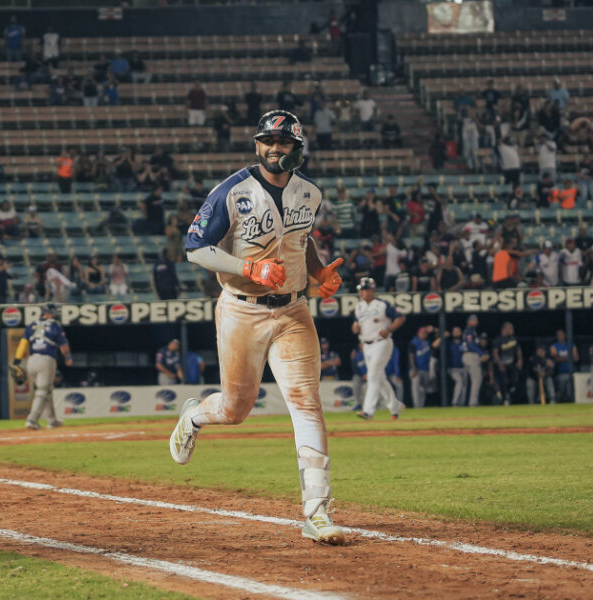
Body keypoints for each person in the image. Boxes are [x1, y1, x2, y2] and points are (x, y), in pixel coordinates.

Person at [170, 109, 346, 545]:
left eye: (283, 143)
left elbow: (299, 243)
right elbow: (195, 248)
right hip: (242, 310)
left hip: (293, 311)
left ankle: (317, 510)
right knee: (235, 410)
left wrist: (319, 273)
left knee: (306, 401)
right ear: (257, 145)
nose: (273, 148)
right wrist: (246, 265)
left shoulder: (310, 193)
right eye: (267, 141)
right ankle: (194, 416)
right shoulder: (232, 190)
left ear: (297, 149)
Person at [350, 277, 405, 420]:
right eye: (361, 290)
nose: (362, 292)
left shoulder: (382, 304)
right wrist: (355, 328)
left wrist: (389, 329)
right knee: (379, 378)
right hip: (366, 345)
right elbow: (356, 324)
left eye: (364, 289)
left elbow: (400, 317)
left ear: (372, 290)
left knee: (373, 376)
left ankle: (368, 411)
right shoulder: (359, 306)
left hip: (381, 342)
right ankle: (395, 406)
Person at [15, 303, 72, 429]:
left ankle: (52, 421)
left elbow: (23, 343)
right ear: (49, 313)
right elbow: (63, 345)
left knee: (47, 390)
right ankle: (32, 420)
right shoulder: (54, 325)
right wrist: (68, 357)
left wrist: (17, 360)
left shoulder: (32, 324)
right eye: (54, 311)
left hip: (32, 361)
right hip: (46, 360)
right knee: (42, 391)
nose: (56, 314)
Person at [491, 322, 522, 405]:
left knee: (515, 379)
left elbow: (518, 349)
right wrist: (499, 363)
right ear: (505, 329)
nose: (512, 330)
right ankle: (505, 399)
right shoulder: (498, 340)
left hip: (511, 364)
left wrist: (520, 359)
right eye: (510, 328)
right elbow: (495, 353)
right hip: (501, 364)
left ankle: (511, 390)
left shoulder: (513, 338)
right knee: (504, 381)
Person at [460, 315, 486, 407]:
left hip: (467, 356)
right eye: (474, 320)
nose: (476, 321)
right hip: (471, 355)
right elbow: (471, 344)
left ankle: (462, 402)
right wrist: (481, 353)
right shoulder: (469, 330)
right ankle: (473, 402)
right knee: (477, 379)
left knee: (466, 382)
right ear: (469, 321)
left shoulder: (471, 331)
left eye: (476, 320)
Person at [408, 326, 437, 409]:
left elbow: (439, 333)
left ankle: (421, 407)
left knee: (423, 390)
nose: (423, 334)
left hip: (426, 370)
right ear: (418, 333)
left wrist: (433, 329)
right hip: (415, 370)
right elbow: (411, 356)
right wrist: (414, 369)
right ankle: (416, 406)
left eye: (425, 333)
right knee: (416, 386)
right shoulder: (414, 342)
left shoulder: (429, 342)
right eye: (422, 333)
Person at [550, 330, 578, 404]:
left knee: (570, 393)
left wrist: (564, 358)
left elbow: (576, 358)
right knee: (561, 393)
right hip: (560, 373)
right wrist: (569, 357)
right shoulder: (554, 346)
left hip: (572, 372)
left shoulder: (571, 345)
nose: (561, 336)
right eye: (559, 335)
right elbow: (557, 358)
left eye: (562, 334)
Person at [446, 326, 467, 407]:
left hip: (463, 368)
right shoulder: (449, 343)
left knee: (464, 386)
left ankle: (462, 404)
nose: (456, 333)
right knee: (459, 381)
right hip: (453, 368)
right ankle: (454, 402)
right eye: (454, 331)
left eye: (458, 331)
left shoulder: (464, 343)